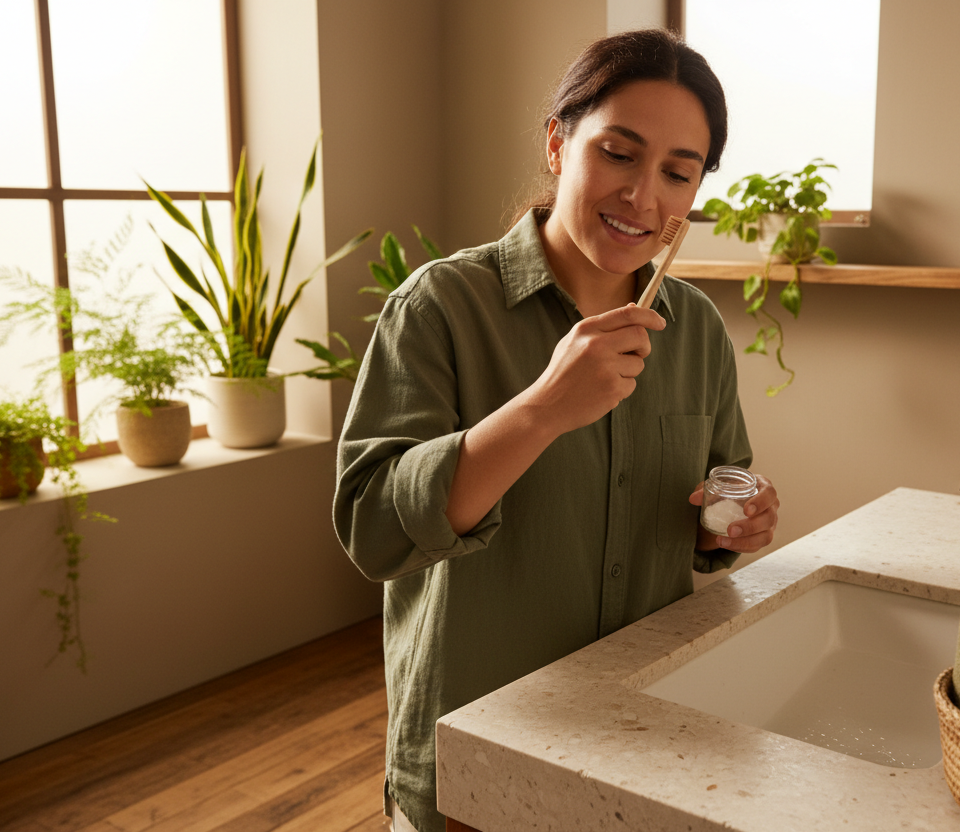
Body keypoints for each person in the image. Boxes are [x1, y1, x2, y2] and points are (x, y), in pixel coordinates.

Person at [334, 28, 780, 832]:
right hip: (476, 759)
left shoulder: (699, 329)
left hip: (641, 744)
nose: (644, 198)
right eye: (618, 153)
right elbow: (373, 529)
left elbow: (713, 495)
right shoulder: (439, 306)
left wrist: (731, 518)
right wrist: (541, 409)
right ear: (557, 142)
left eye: (678, 173)